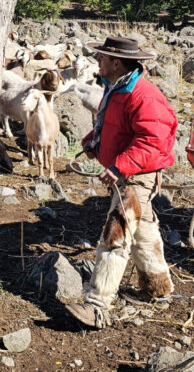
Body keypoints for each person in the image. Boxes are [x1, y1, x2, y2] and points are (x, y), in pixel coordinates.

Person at [65, 36, 178, 329]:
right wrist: (96, 143)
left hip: (137, 176)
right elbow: (119, 128)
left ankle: (97, 306)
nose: (97, 60)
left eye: (101, 57)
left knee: (116, 233)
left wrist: (120, 165)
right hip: (127, 171)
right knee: (145, 231)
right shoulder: (117, 88)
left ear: (117, 62)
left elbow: (152, 141)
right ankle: (159, 288)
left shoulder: (143, 95)